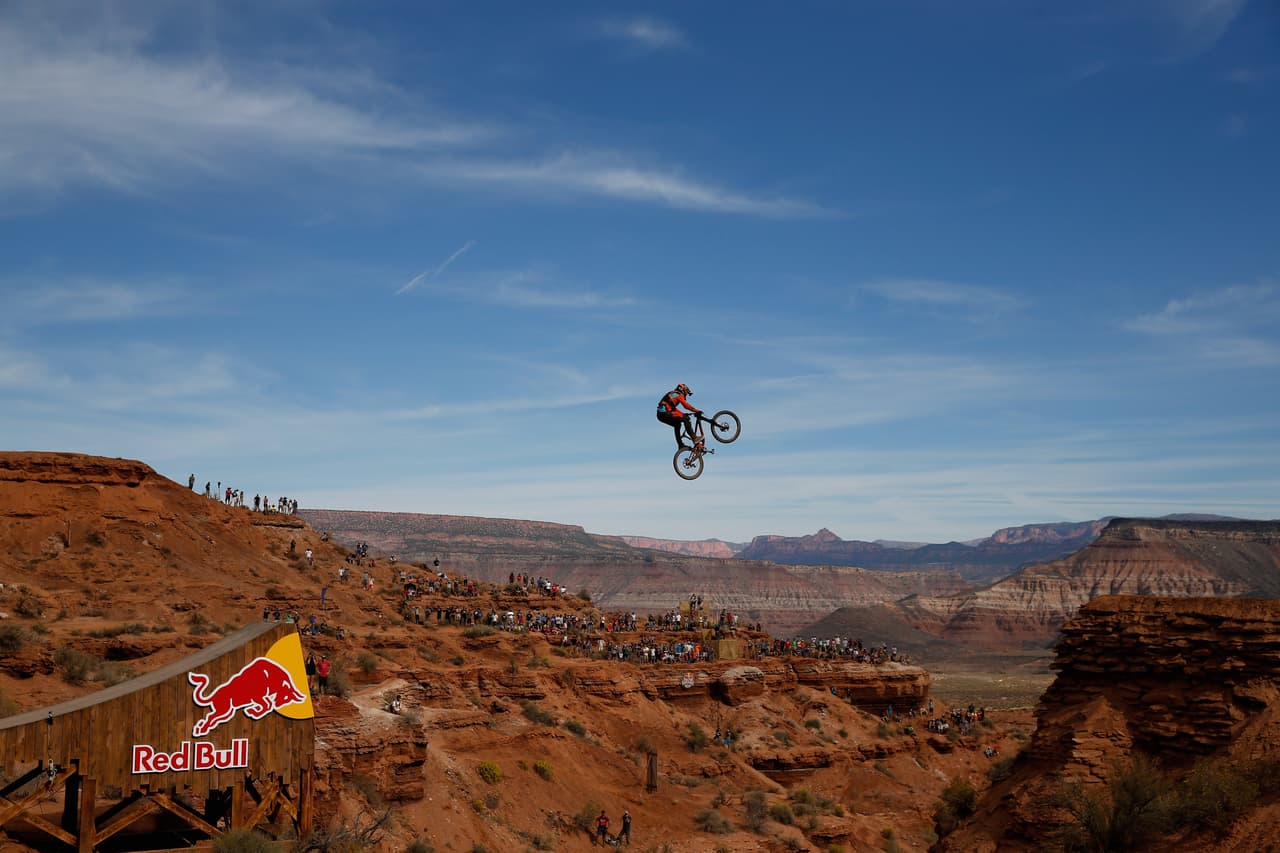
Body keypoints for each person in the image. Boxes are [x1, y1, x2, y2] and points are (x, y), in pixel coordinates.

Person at [656, 383, 701, 449]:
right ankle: (694, 438)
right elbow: (686, 406)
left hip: (661, 415)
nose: (686, 395)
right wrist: (697, 411)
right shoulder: (678, 394)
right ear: (683, 390)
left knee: (677, 424)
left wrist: (683, 414)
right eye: (686, 393)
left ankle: (680, 445)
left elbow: (673, 409)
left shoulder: (672, 394)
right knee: (686, 419)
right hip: (665, 413)